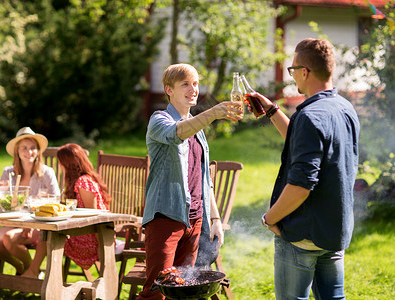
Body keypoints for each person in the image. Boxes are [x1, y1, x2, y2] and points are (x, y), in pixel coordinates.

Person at [255, 38, 360, 299]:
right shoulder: (345, 109)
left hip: (303, 235)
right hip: (334, 231)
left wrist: (271, 218)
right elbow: (307, 141)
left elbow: (302, 185)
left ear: (304, 72)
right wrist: (272, 111)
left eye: (292, 70)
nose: (292, 76)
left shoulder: (310, 116)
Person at [137, 63, 243, 300]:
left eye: (195, 83)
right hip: (166, 218)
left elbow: (205, 179)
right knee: (157, 290)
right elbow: (177, 133)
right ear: (169, 90)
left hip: (195, 220)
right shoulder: (159, 120)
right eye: (185, 84)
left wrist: (214, 218)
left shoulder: (199, 129)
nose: (193, 89)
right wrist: (213, 113)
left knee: (185, 291)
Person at [22, 143, 110, 278]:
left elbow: (94, 217)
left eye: (60, 163)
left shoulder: (83, 182)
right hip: (86, 234)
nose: (60, 166)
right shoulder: (80, 181)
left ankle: (39, 274)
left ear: (68, 164)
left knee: (48, 235)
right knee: (47, 232)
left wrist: (100, 246)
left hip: (95, 238)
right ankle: (38, 273)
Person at [0, 127, 60, 274]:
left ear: (38, 151)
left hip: (40, 224)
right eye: (24, 148)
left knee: (8, 238)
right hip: (13, 221)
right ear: (17, 151)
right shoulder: (9, 173)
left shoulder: (47, 173)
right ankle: (24, 269)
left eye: (32, 148)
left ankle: (31, 271)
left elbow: (56, 201)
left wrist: (32, 222)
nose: (28, 152)